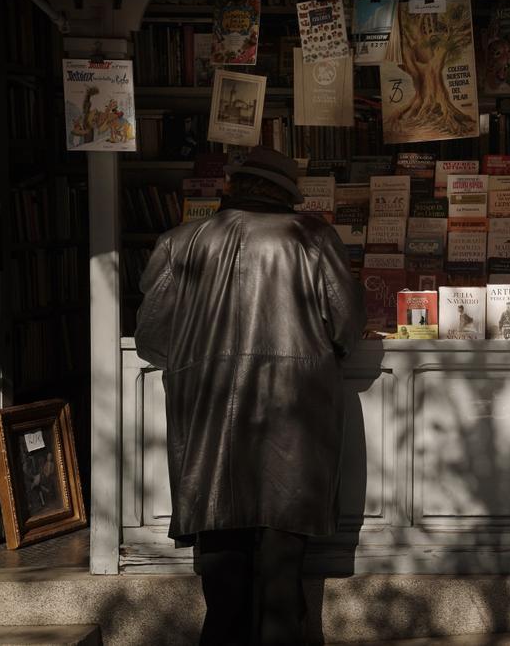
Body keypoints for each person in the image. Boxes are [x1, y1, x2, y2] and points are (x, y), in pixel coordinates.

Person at [135, 146, 364, 645]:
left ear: (233, 188)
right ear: (286, 194)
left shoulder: (182, 241)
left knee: (220, 559)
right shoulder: (312, 237)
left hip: (209, 414)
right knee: (283, 568)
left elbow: (152, 339)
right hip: (294, 415)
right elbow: (347, 327)